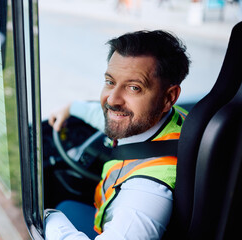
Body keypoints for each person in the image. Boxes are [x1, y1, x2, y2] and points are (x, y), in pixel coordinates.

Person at [45, 30, 190, 239]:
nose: (112, 100)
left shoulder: (148, 190)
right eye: (110, 82)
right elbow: (109, 117)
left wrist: (48, 217)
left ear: (169, 97)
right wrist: (71, 107)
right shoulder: (172, 120)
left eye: (133, 87)